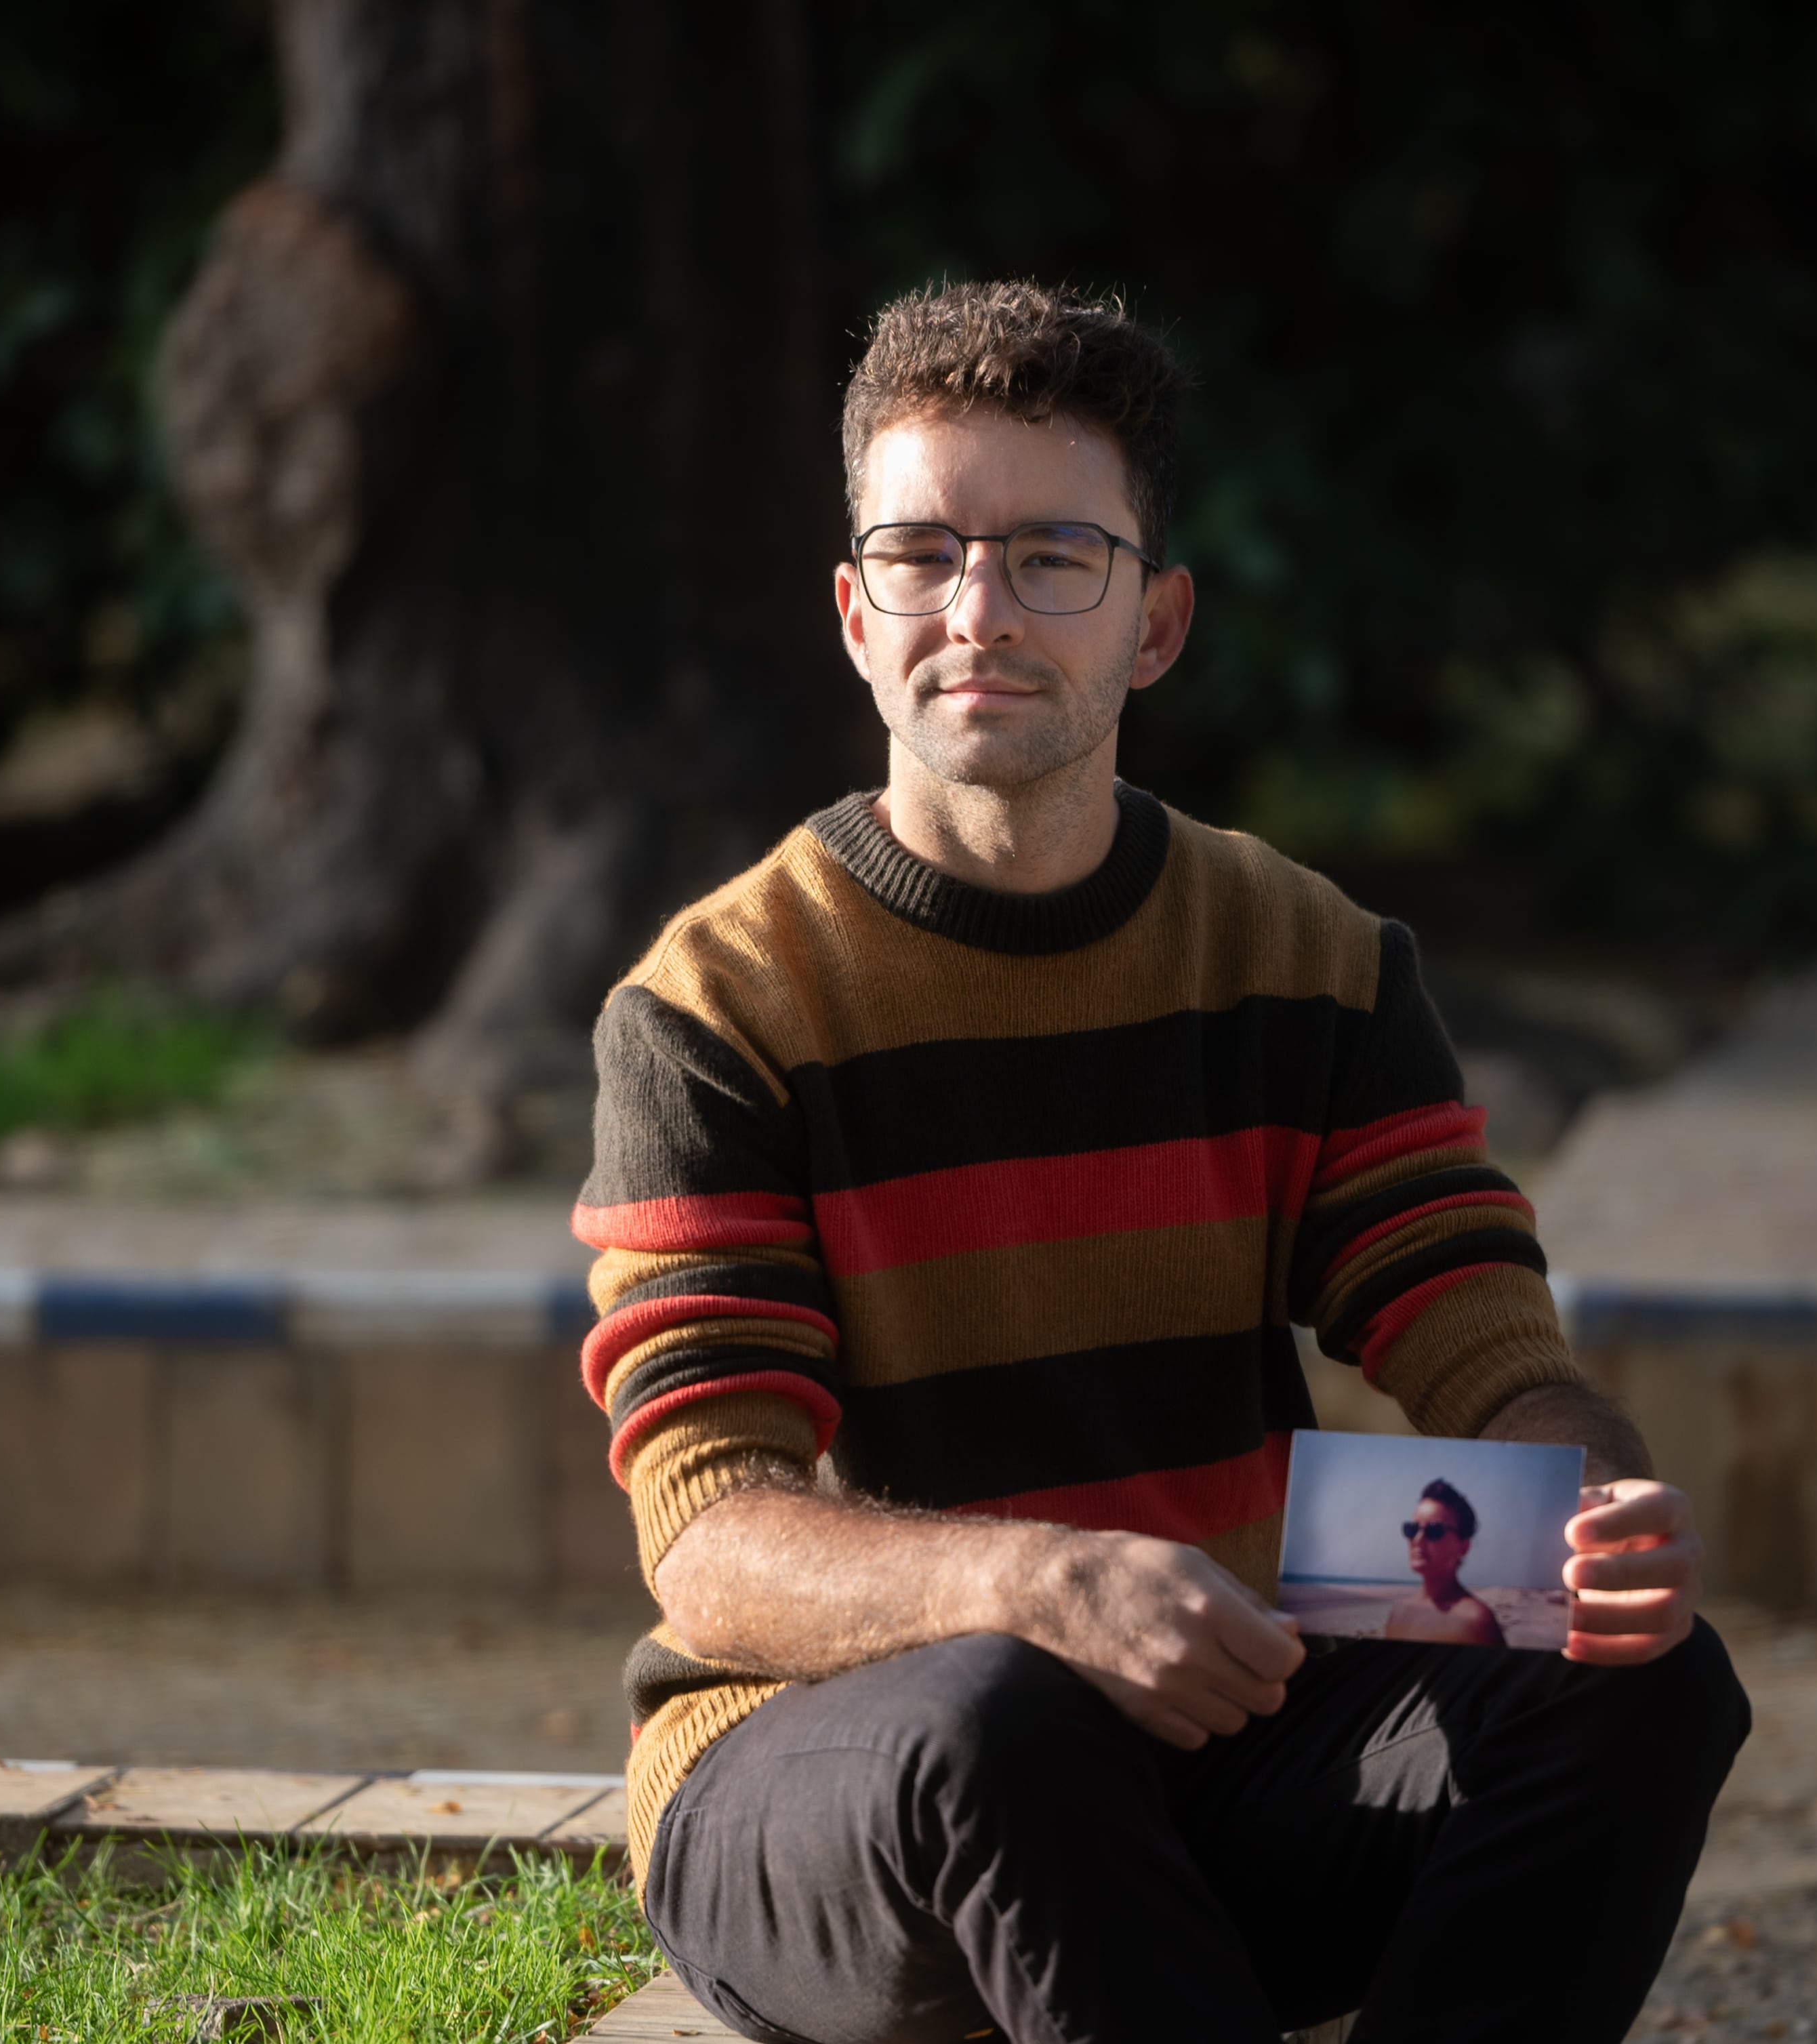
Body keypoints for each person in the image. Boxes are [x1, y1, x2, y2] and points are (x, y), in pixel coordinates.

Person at [572, 279, 1750, 2044]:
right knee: (1002, 1710)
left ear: (1157, 623)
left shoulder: (1313, 958)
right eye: (921, 553)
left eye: (1055, 557)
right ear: (851, 610)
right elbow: (712, 1543)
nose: (979, 610)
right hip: (815, 1791)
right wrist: (1032, 1584)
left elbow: (1491, 1358)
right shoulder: (715, 1008)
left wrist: (1584, 1509)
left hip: (1217, 1743)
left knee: (1646, 1690)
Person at [1384, 1479, 1504, 1647]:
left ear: (1463, 1546)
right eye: (1412, 1529)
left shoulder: (1476, 1622)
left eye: (1434, 1530)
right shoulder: (1399, 1612)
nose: (1418, 1539)